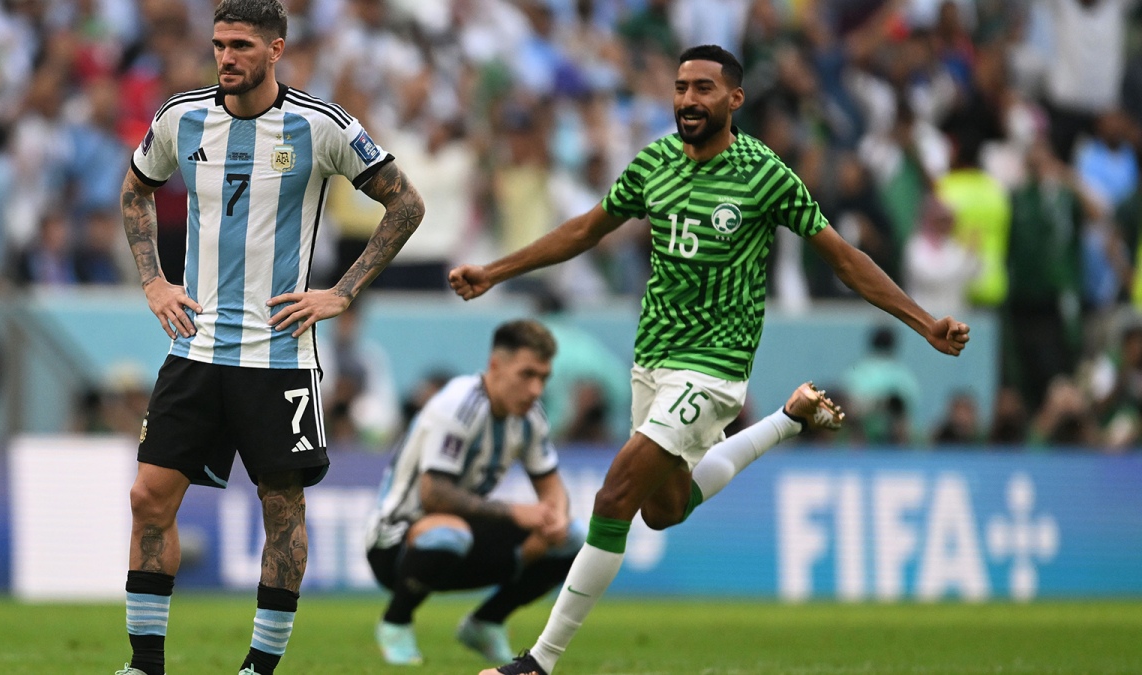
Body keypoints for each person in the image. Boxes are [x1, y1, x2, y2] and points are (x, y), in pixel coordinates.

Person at [449, 45, 969, 675]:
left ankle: (538, 663)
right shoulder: (654, 163)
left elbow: (843, 258)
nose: (688, 100)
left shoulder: (765, 174)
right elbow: (586, 229)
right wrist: (495, 271)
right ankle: (787, 420)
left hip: (714, 367)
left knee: (614, 496)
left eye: (703, 88)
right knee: (661, 509)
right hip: (653, 359)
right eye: (680, 88)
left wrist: (924, 322)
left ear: (734, 99)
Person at [115, 2, 424, 674]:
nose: (226, 57)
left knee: (282, 508)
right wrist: (154, 281)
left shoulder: (321, 125)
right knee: (148, 498)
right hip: (195, 347)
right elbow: (135, 190)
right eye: (220, 44)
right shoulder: (180, 117)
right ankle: (144, 664)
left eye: (242, 46)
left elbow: (406, 203)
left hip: (279, 354)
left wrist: (342, 291)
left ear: (276, 49)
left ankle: (258, 667)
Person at [366, 319, 582, 666]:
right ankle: (396, 622)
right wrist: (515, 512)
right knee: (449, 532)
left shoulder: (530, 416)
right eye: (527, 375)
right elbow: (434, 495)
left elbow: (550, 484)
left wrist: (557, 515)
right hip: (396, 542)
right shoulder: (458, 405)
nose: (536, 389)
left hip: (464, 537)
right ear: (496, 366)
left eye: (543, 378)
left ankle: (486, 622)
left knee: (572, 537)